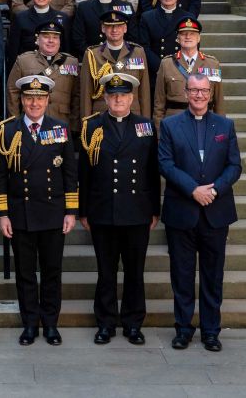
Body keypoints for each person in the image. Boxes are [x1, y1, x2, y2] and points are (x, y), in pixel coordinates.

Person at [159, 73, 242, 352]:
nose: (198, 96)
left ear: (210, 93)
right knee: (181, 275)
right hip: (182, 211)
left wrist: (214, 190)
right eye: (193, 91)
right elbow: (166, 165)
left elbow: (234, 166)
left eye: (204, 91)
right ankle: (183, 329)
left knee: (212, 275)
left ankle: (210, 331)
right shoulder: (170, 125)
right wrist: (193, 190)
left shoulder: (225, 125)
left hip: (216, 213)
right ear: (185, 92)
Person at [0, 75, 78, 346]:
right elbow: (0, 177)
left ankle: (50, 324)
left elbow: (69, 173)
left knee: (52, 271)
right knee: (25, 273)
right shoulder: (7, 131)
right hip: (21, 213)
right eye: (29, 98)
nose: (34, 103)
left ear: (48, 100)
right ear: (21, 100)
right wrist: (3, 214)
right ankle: (30, 324)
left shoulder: (60, 128)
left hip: (53, 212)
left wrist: (71, 211)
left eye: (40, 98)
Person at [79, 73, 160, 345]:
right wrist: (83, 211)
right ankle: (105, 323)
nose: (118, 100)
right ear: (104, 98)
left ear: (132, 98)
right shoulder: (91, 127)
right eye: (113, 96)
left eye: (123, 95)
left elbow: (151, 171)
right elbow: (84, 173)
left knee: (135, 272)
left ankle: (133, 323)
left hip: (137, 210)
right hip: (103, 210)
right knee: (106, 271)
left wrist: (154, 210)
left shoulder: (146, 126)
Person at [7, 21, 80, 132]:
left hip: (61, 123)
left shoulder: (71, 62)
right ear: (37, 40)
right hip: (30, 124)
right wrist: (15, 122)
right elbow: (12, 92)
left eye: (55, 37)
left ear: (60, 41)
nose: (51, 41)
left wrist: (74, 126)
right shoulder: (23, 61)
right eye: (46, 36)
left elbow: (77, 96)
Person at [80, 10, 151, 120]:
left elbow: (144, 92)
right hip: (101, 116)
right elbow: (86, 94)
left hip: (133, 115)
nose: (114, 30)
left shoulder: (138, 52)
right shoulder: (92, 54)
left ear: (125, 28)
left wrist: (146, 123)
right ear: (103, 28)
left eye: (119, 26)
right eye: (110, 26)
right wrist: (86, 124)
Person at [154, 17, 224, 125]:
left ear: (198, 38)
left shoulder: (212, 64)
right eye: (183, 33)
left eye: (192, 33)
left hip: (205, 121)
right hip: (175, 123)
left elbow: (219, 103)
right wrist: (159, 134)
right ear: (177, 38)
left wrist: (220, 130)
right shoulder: (166, 64)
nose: (188, 37)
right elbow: (159, 104)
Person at [72, 0, 137, 60]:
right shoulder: (84, 8)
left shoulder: (126, 7)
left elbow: (132, 38)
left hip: (120, 60)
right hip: (92, 59)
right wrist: (95, 56)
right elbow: (78, 39)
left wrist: (118, 57)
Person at [6, 0, 71, 69]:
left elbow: (67, 50)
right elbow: (13, 50)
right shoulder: (20, 18)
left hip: (55, 68)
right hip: (28, 68)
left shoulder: (62, 18)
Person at [139, 0, 192, 80]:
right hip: (156, 72)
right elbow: (144, 47)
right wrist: (163, 67)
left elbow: (192, 47)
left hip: (181, 71)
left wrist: (178, 68)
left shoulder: (188, 18)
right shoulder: (147, 17)